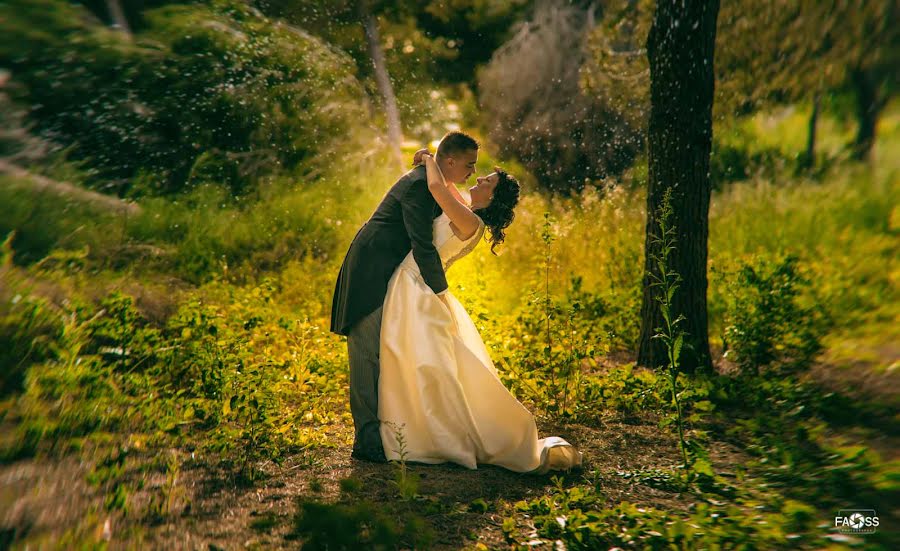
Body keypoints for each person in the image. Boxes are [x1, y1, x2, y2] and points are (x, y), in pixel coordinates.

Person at [377, 149, 582, 474]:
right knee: (415, 360)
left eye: (487, 180)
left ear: (492, 195)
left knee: (427, 363)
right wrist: (435, 163)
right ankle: (416, 428)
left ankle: (437, 436)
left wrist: (430, 159)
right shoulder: (464, 208)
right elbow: (444, 185)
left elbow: (435, 187)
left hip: (419, 287)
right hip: (412, 284)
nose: (480, 177)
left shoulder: (470, 221)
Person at [330, 131, 479, 463]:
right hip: (371, 270)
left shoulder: (432, 181)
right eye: (469, 165)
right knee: (366, 356)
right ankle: (367, 443)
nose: (471, 172)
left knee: (385, 354)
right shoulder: (417, 187)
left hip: (390, 274)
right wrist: (441, 292)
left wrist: (428, 158)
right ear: (450, 161)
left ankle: (385, 433)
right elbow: (422, 244)